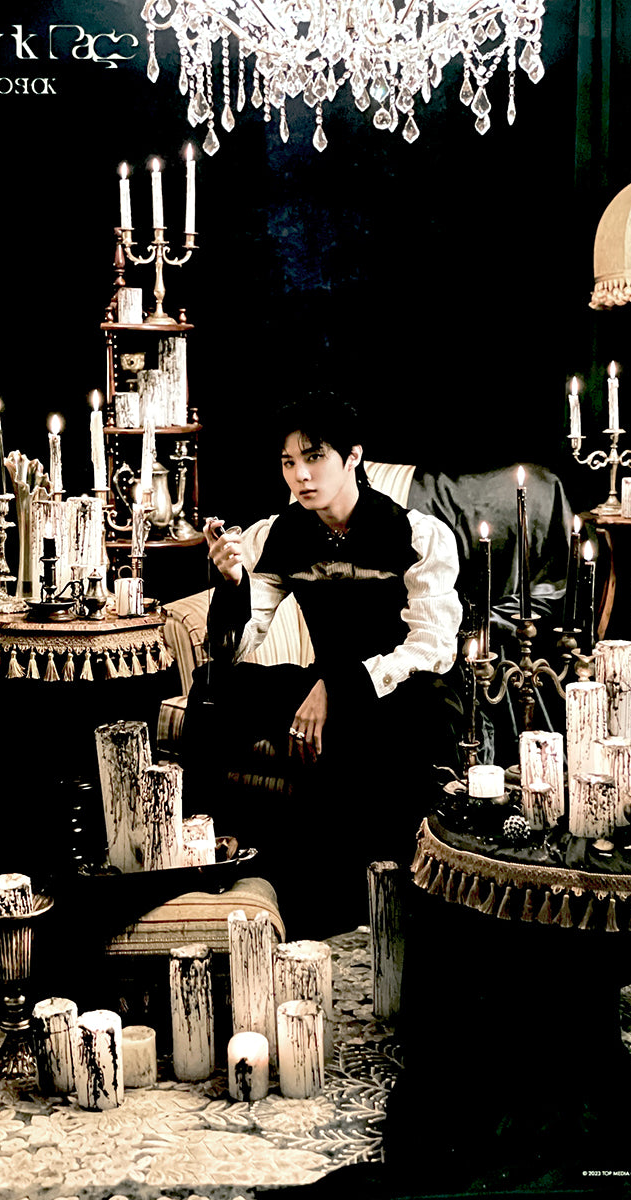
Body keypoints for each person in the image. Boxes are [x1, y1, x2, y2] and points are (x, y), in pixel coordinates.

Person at [183, 397, 465, 938]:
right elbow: (237, 645)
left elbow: (431, 648)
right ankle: (213, 842)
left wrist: (337, 686)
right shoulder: (279, 534)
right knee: (213, 687)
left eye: (313, 457)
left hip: (401, 692)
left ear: (353, 456)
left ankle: (358, 895)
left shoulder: (415, 534)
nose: (301, 476)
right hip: (322, 685)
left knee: (412, 710)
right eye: (289, 462)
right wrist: (233, 584)